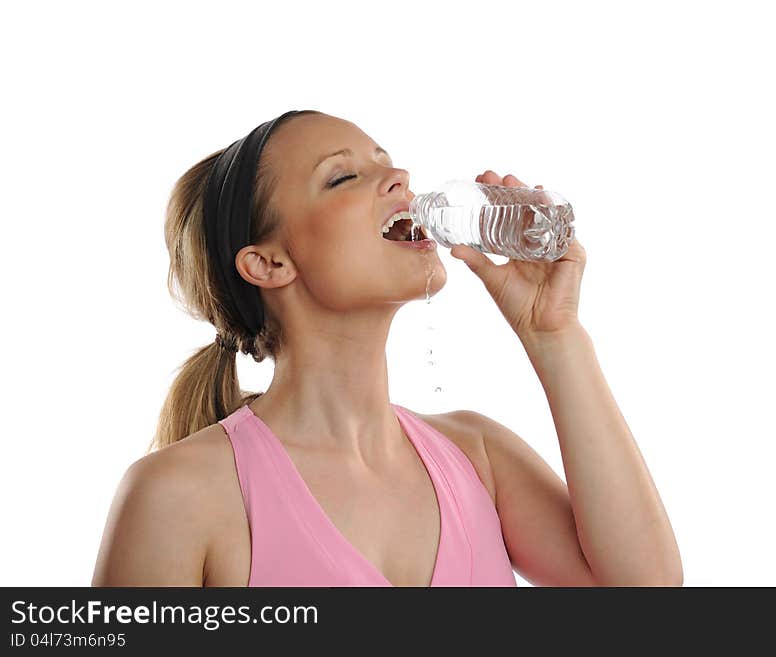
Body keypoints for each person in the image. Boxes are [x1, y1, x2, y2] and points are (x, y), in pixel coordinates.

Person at [91, 110, 682, 587]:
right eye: (342, 176)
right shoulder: (175, 496)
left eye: (388, 162)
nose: (400, 177)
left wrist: (555, 337)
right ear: (269, 263)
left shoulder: (478, 457)